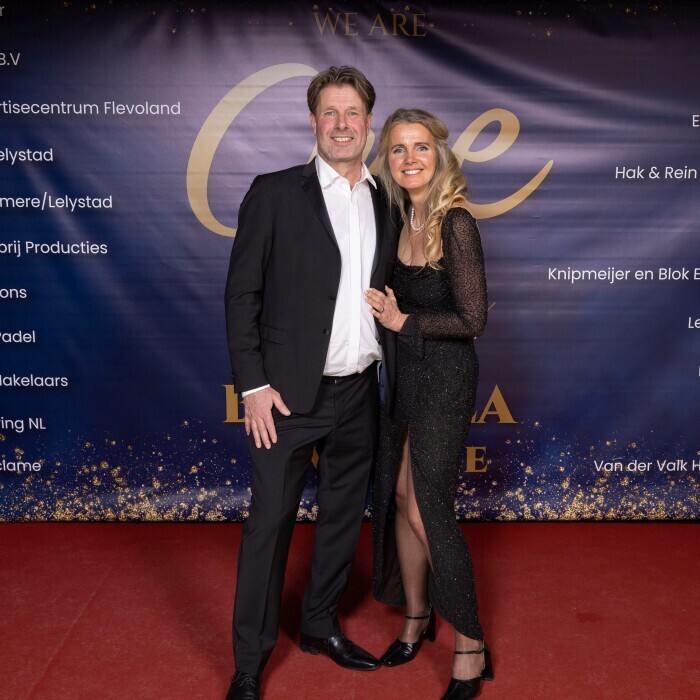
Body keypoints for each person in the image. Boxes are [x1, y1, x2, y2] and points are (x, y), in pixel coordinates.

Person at [223, 66, 398, 700]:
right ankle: (249, 662)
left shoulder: (386, 200)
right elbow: (242, 295)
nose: (342, 124)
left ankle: (320, 624)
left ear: (369, 122)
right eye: (330, 112)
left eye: (353, 113)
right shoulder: (274, 192)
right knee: (269, 526)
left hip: (360, 389)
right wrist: (253, 386)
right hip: (285, 396)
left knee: (344, 517)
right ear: (313, 121)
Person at [364, 109, 492, 700]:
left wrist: (404, 321)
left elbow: (473, 319)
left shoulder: (456, 222)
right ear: (387, 159)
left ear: (439, 154)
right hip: (403, 374)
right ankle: (417, 617)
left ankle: (470, 643)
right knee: (397, 495)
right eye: (398, 149)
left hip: (445, 376)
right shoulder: (397, 218)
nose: (410, 158)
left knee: (427, 510)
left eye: (420, 147)